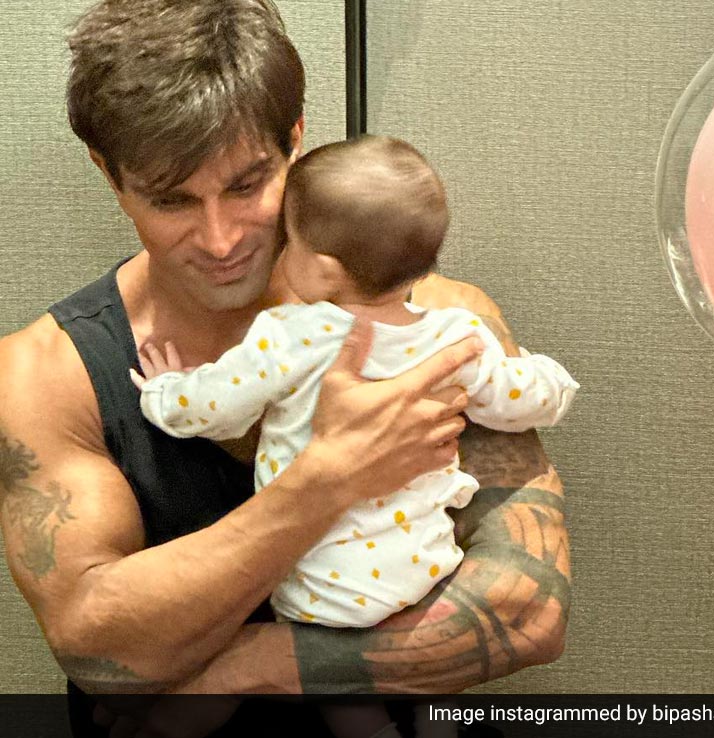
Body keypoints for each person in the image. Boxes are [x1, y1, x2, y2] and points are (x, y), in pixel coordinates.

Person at [0, 1, 570, 735]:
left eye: (247, 185)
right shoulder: (43, 375)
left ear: (295, 139)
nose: (220, 239)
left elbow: (527, 612)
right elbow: (100, 652)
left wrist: (241, 668)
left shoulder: (444, 325)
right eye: (172, 200)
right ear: (108, 173)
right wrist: (327, 479)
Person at [133, 135, 579, 738]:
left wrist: (163, 391)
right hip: (424, 572)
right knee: (431, 697)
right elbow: (520, 401)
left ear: (323, 269)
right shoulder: (455, 335)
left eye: (290, 242)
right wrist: (553, 378)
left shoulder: (293, 334)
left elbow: (216, 408)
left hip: (326, 593)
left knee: (348, 703)